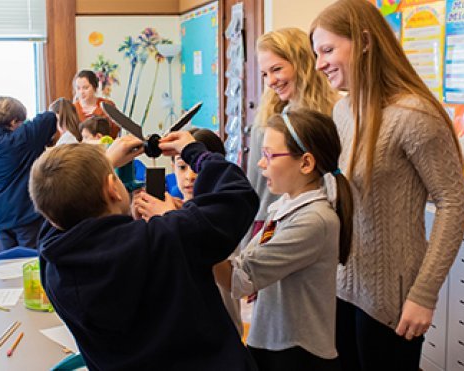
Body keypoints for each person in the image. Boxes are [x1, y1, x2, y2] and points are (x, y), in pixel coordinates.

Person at [310, 1, 464, 370]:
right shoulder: (342, 111)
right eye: (316, 53)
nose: (319, 64)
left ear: (365, 42)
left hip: (391, 302)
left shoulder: (415, 115)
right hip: (341, 289)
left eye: (328, 50)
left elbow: (454, 204)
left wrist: (424, 294)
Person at [29, 134, 259, 370]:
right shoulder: (167, 237)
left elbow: (59, 211)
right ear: (112, 189)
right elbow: (238, 196)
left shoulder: (53, 263)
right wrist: (195, 152)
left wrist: (98, 168)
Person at [215, 109, 352, 371]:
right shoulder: (285, 205)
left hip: (296, 354)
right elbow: (249, 263)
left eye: (269, 155)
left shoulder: (313, 221)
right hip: (273, 341)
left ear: (306, 163)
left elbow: (239, 279)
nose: (260, 163)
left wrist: (189, 232)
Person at [132, 128, 243, 336]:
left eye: (197, 168)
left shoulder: (222, 218)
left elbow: (228, 282)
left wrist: (176, 223)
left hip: (221, 332)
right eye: (182, 167)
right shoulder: (170, 211)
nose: (189, 177)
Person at [244, 28, 338, 244]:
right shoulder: (268, 118)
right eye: (265, 74)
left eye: (276, 69)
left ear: (302, 64)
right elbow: (255, 183)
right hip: (270, 218)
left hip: (313, 221)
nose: (270, 81)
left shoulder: (334, 114)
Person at [0, 96, 57, 250]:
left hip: (2, 216)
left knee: (7, 265)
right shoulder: (23, 138)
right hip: (26, 215)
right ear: (14, 122)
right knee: (31, 265)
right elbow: (49, 117)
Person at [73, 70, 120, 138]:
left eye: (85, 88)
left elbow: (116, 129)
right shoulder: (72, 108)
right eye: (78, 88)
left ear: (95, 87)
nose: (81, 92)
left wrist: (99, 113)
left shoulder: (107, 104)